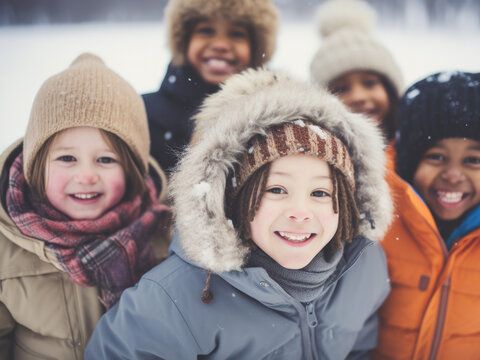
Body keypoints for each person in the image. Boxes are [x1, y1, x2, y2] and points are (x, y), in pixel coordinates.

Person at [85, 68, 394, 359]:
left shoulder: (363, 268)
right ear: (234, 198)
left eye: (320, 193)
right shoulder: (176, 297)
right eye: (276, 190)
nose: (300, 212)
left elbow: (359, 350)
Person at [0, 53, 172, 360]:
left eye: (105, 159)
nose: (86, 176)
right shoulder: (5, 251)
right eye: (67, 158)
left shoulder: (167, 236)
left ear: (132, 170)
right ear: (36, 166)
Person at [374, 71, 480, 359]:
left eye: (473, 160)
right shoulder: (380, 215)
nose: (452, 175)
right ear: (410, 164)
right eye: (436, 157)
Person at [143, 0, 279, 175]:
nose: (220, 45)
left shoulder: (274, 116)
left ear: (256, 48)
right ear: (183, 41)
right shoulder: (146, 114)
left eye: (236, 34)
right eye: (206, 31)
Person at [310, 0, 404, 144]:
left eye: (369, 83)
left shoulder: (413, 150)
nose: (358, 97)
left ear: (390, 88)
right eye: (341, 89)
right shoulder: (322, 158)